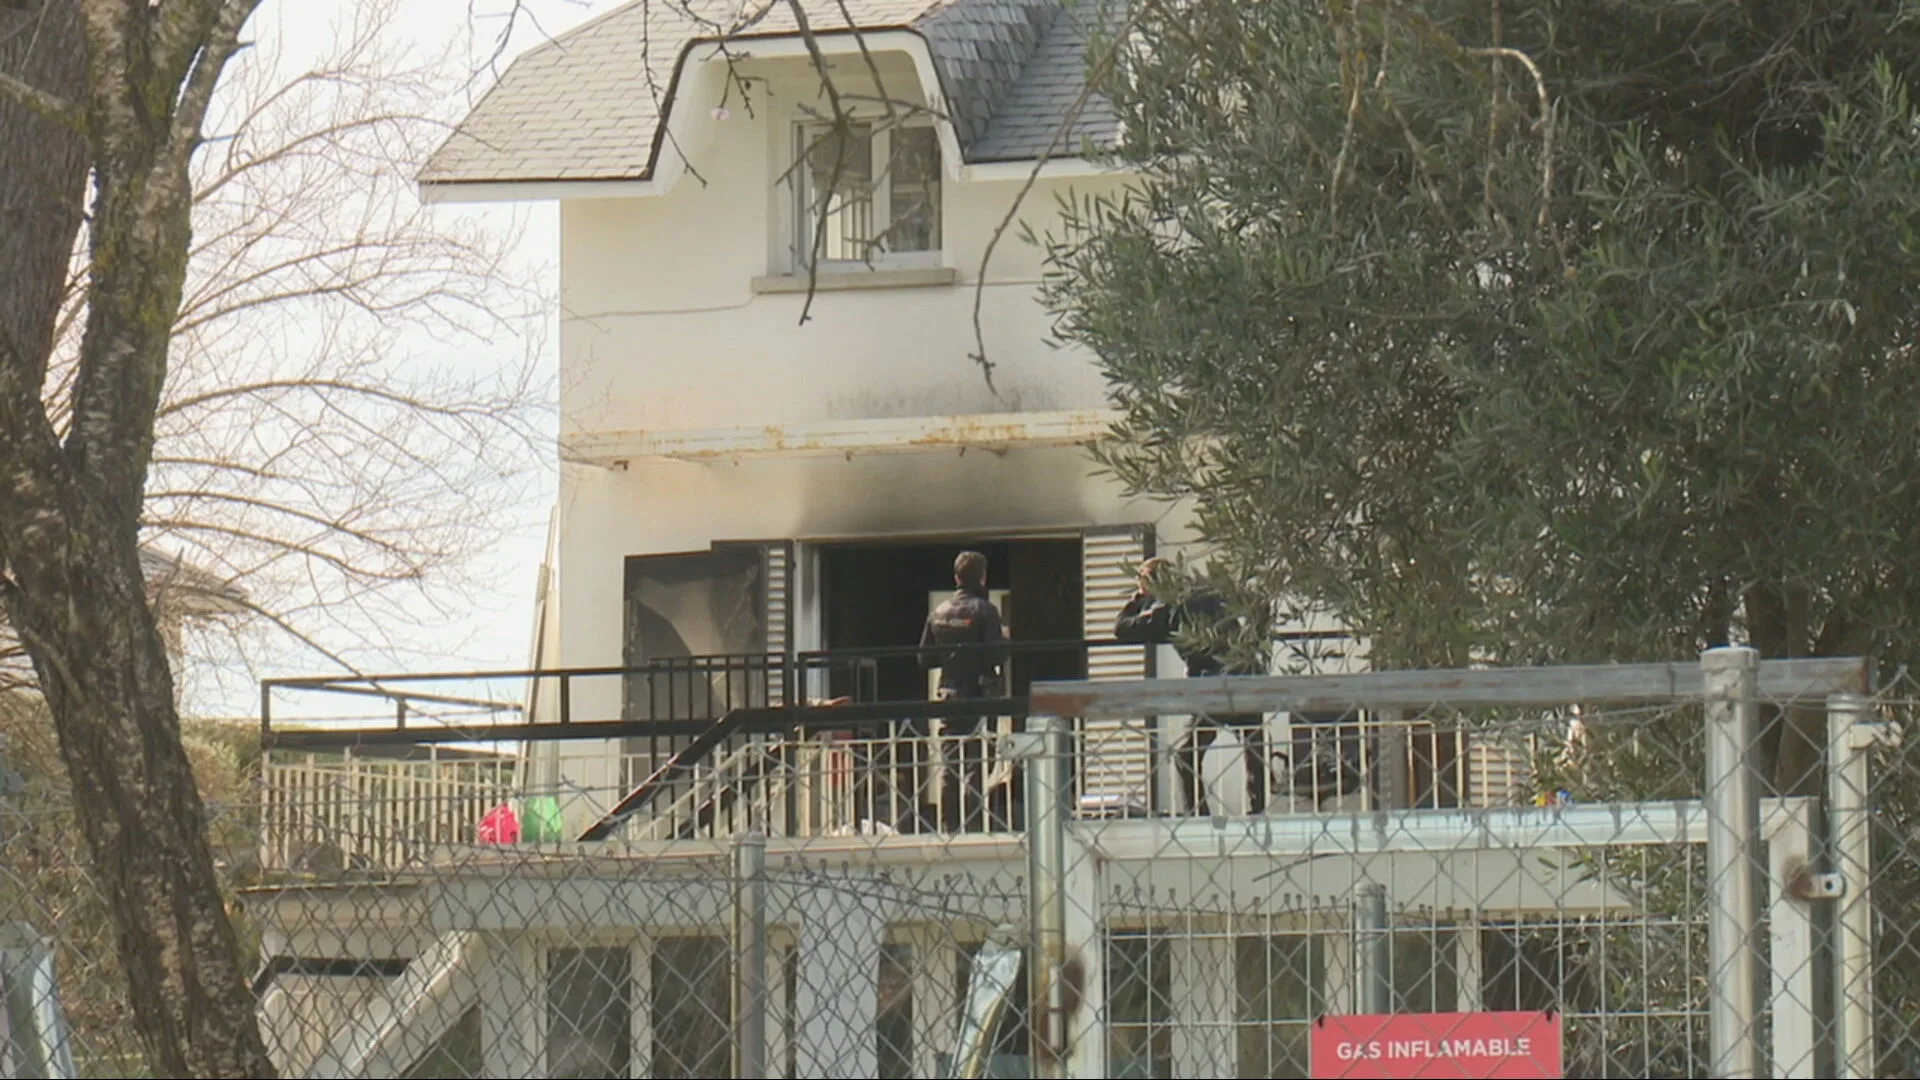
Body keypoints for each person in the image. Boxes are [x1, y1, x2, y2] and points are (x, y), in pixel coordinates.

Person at [1113, 557, 1269, 816]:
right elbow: (1258, 603)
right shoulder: (1208, 592)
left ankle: (1198, 814)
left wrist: (1137, 600)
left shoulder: (1165, 612)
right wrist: (1253, 643)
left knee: (1186, 756)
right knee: (1253, 746)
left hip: (1212, 687)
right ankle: (1258, 812)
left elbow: (1121, 629)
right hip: (1245, 674)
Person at [917, 551, 1008, 831]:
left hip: (947, 694)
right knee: (976, 764)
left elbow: (925, 659)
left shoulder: (939, 612)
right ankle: (974, 827)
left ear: (957, 577)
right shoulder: (985, 610)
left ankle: (948, 828)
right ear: (982, 577)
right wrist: (1004, 639)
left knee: (949, 764)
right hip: (978, 694)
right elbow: (995, 656)